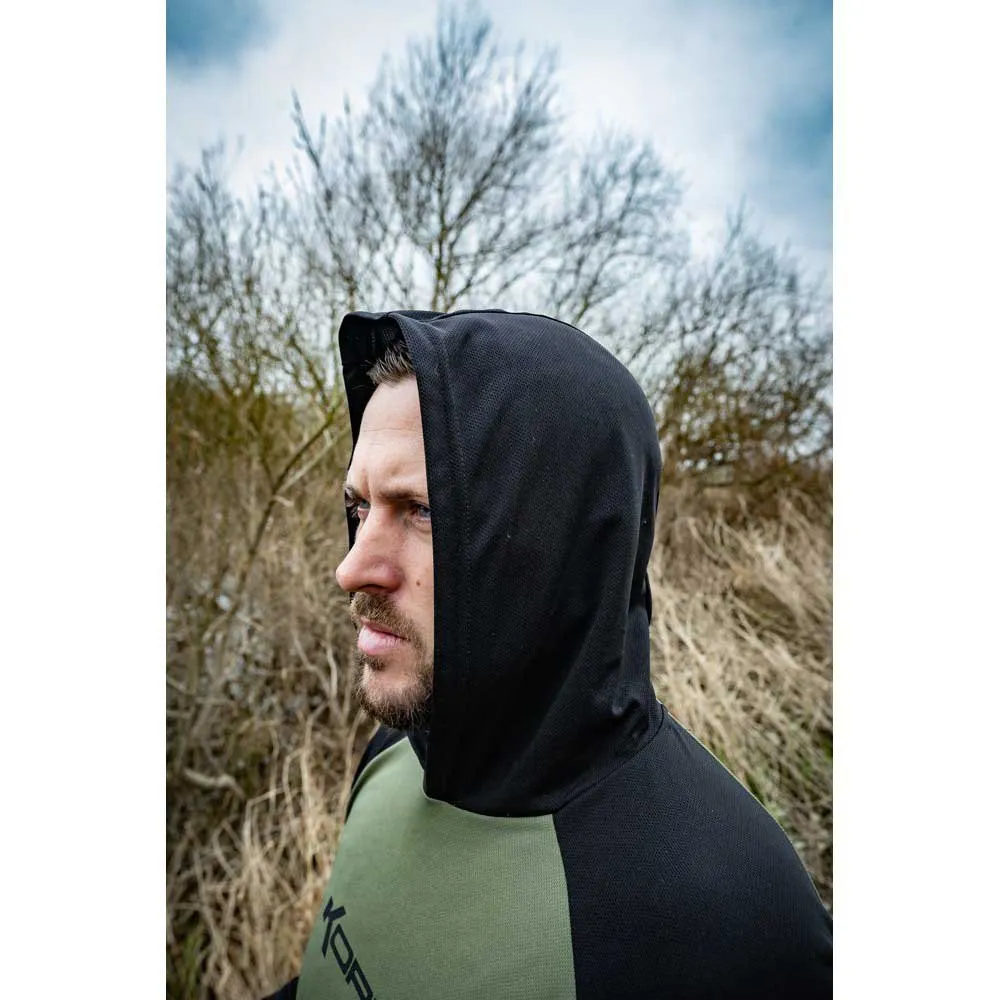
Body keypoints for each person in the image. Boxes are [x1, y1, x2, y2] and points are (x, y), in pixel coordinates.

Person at [265, 310, 832, 1000]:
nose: (352, 568)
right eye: (359, 507)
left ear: (558, 540)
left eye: (423, 510)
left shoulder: (728, 923)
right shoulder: (399, 751)